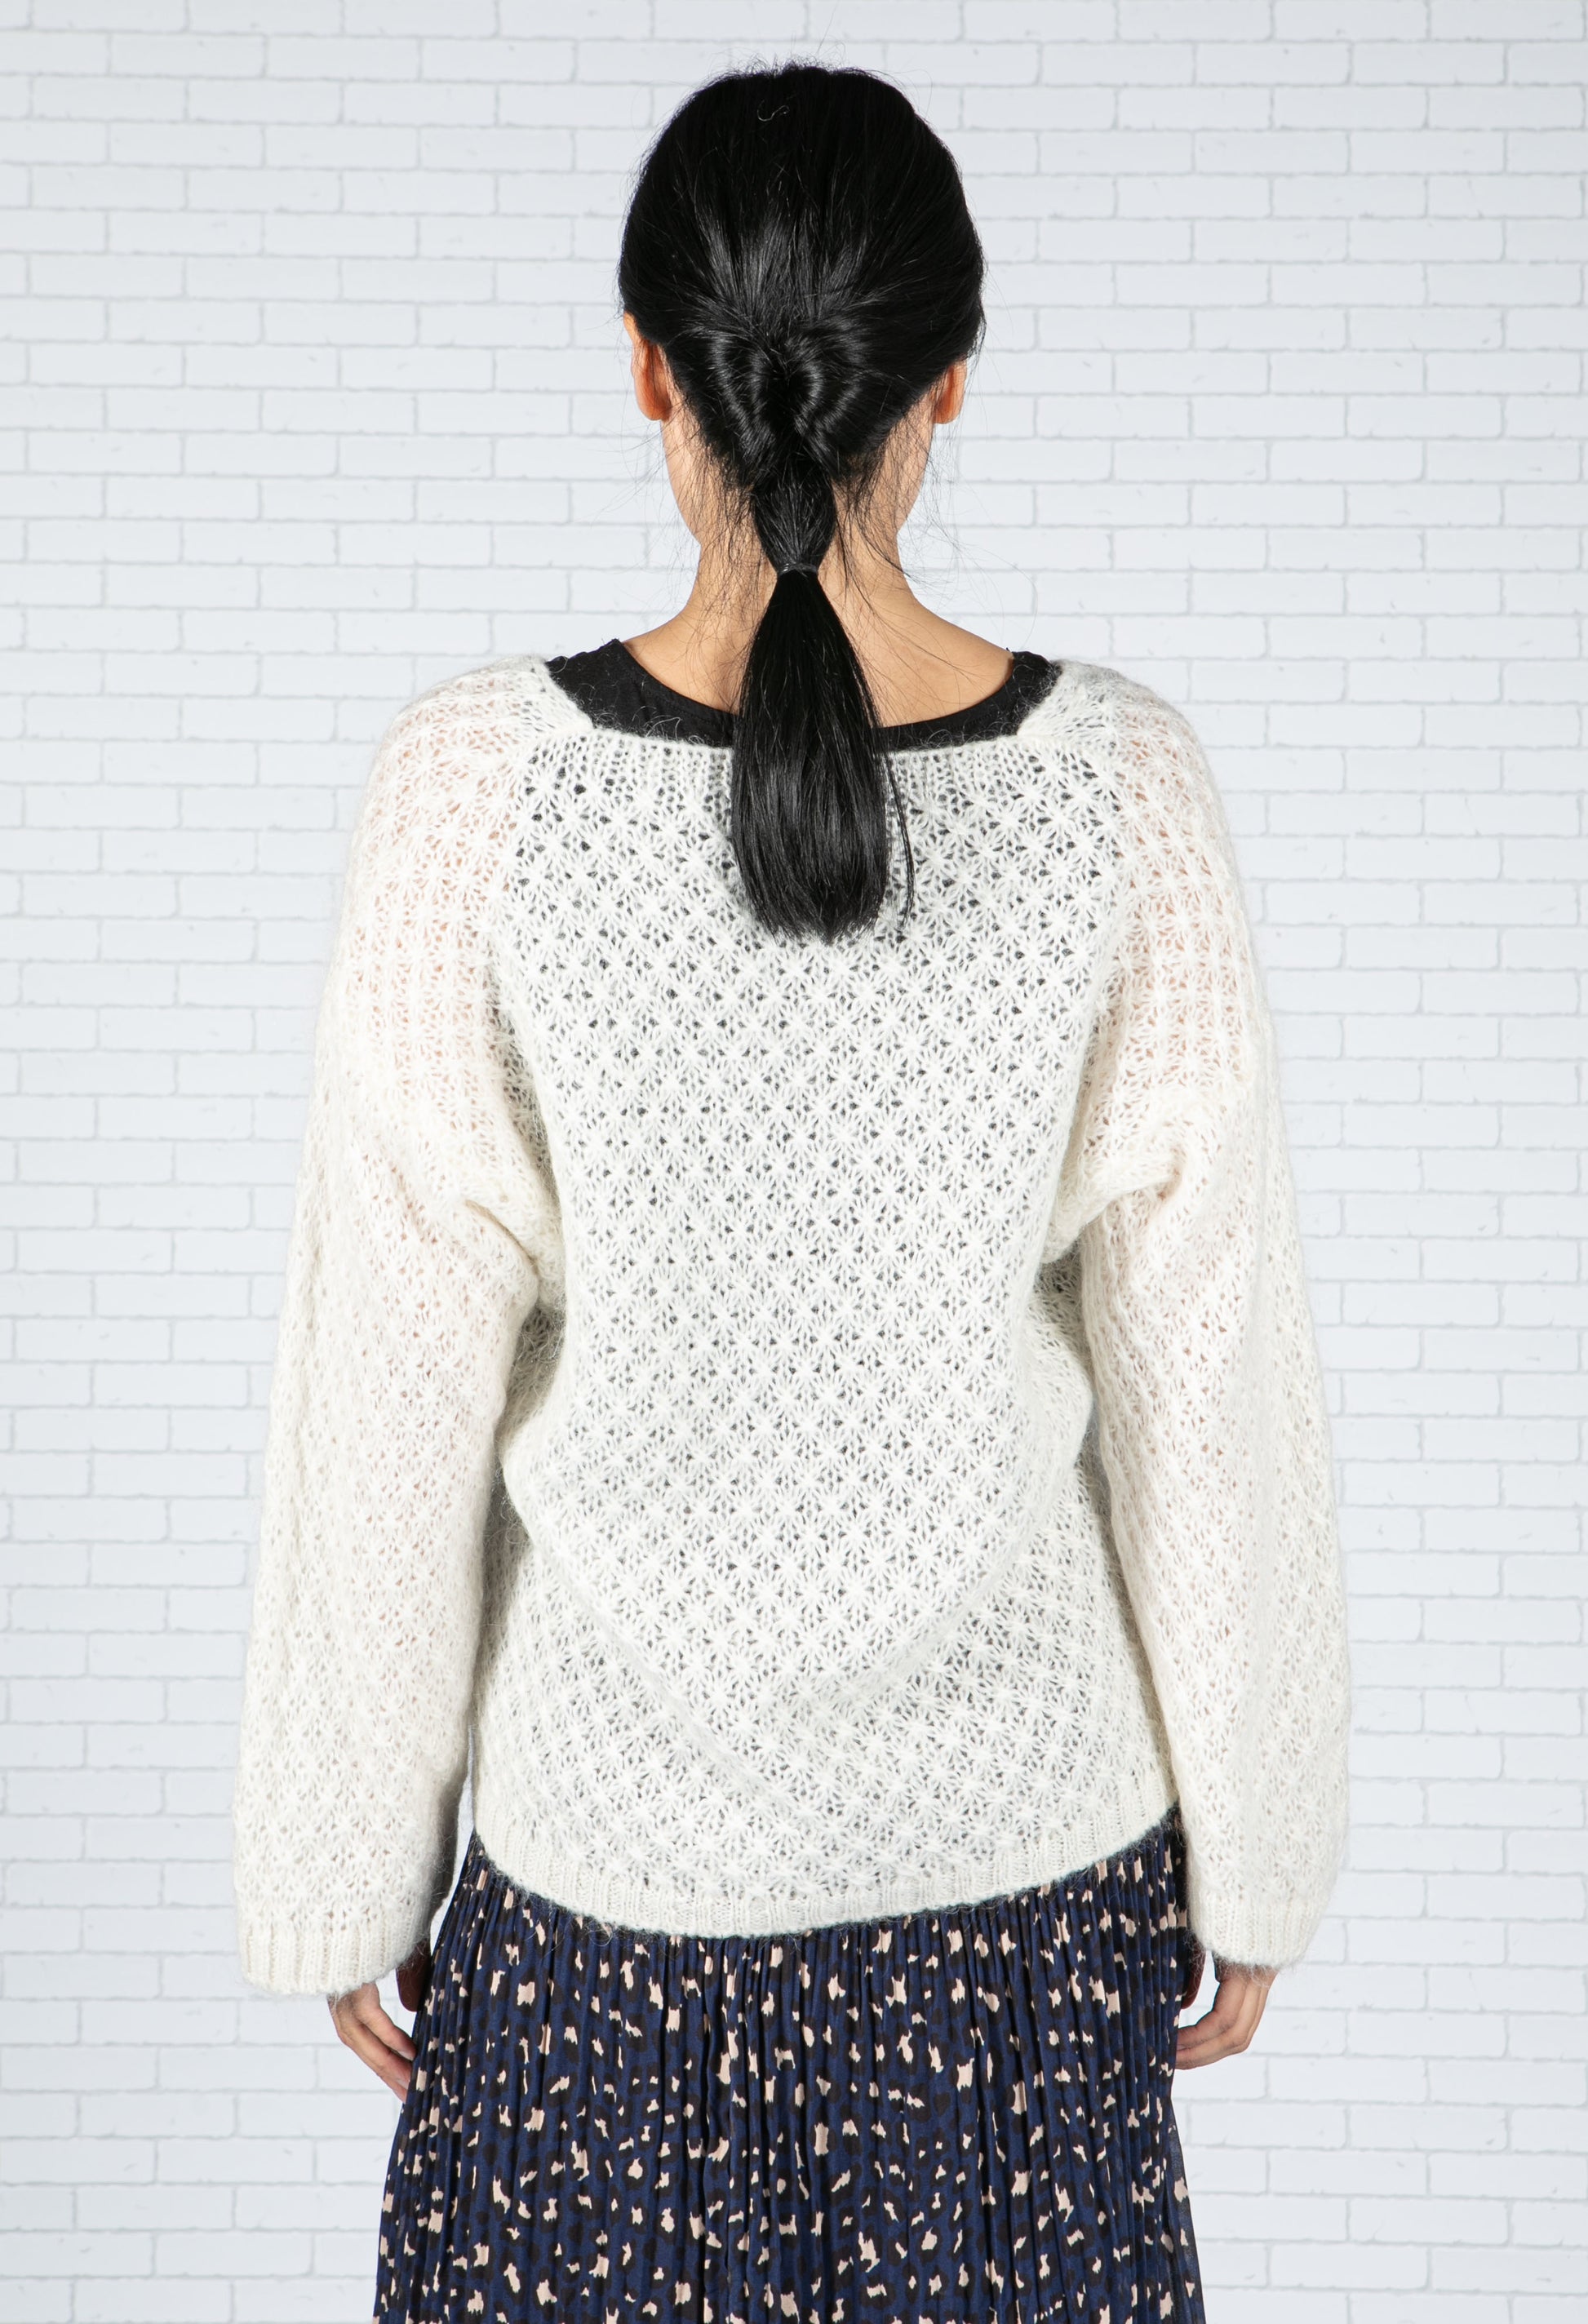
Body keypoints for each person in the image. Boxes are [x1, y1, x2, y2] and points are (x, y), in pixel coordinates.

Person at [233, 60, 1350, 2324]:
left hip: (605, 1902)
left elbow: (388, 1394)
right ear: (950, 379)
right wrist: (1259, 1845)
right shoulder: (1123, 786)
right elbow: (1203, 1385)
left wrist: (344, 1862)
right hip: (1027, 1901)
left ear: (650, 368)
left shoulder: (475, 791)